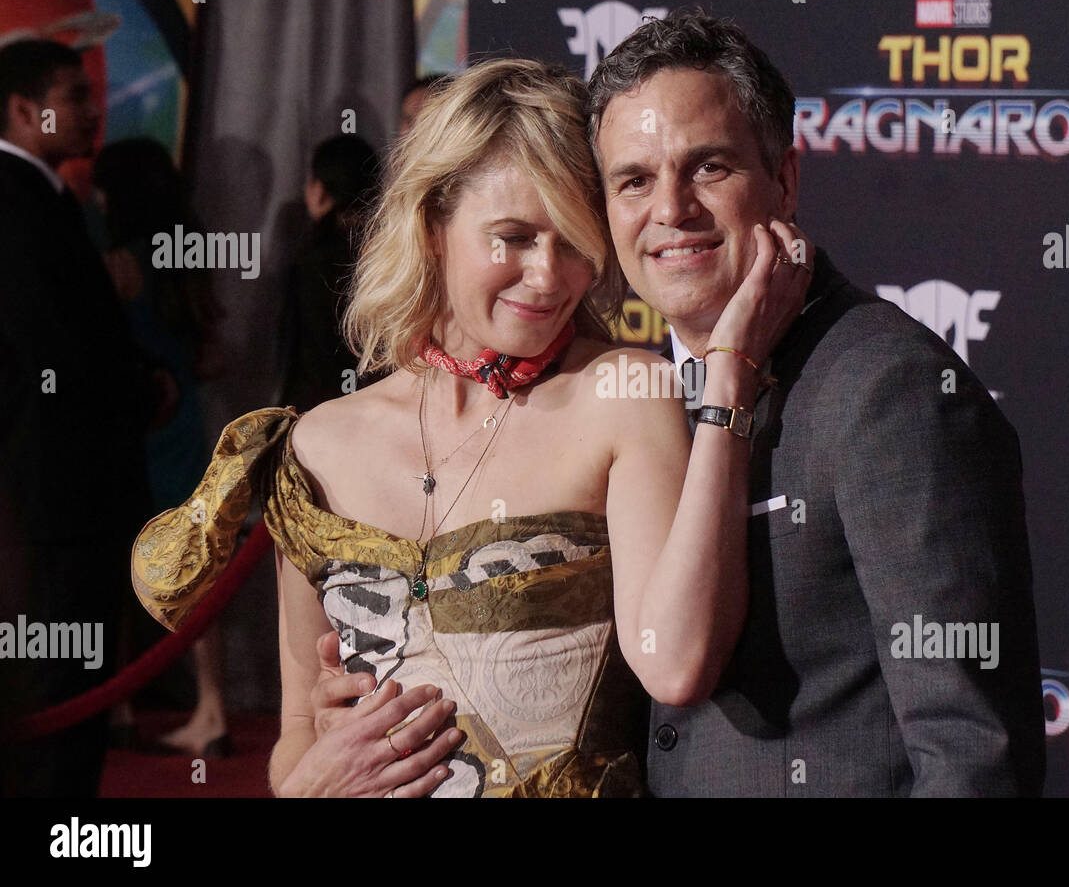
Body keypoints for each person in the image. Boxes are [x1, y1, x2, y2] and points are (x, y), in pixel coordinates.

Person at [131, 57, 811, 797]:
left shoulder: (620, 392)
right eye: (513, 237)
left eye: (575, 243)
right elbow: (297, 732)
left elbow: (678, 660)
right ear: (432, 227)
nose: (549, 276)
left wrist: (729, 376)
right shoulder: (316, 448)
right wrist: (305, 782)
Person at [586, 10, 1045, 796]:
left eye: (709, 167)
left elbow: (971, 752)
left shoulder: (890, 390)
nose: (670, 210)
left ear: (787, 180)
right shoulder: (631, 394)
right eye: (634, 179)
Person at [0, 39, 164, 797]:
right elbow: (52, 350)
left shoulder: (44, 196)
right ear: (24, 110)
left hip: (58, 496)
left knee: (67, 689)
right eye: (76, 95)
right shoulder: (16, 199)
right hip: (52, 499)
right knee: (58, 695)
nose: (93, 110)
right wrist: (143, 393)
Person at [92, 137, 229, 758]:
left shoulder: (119, 261)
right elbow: (208, 353)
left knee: (120, 568)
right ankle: (212, 707)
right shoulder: (186, 260)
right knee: (191, 573)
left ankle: (117, 705)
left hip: (133, 429)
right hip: (186, 430)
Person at [278, 133, 378, 413]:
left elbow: (306, 351)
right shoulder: (391, 249)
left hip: (317, 407)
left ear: (320, 190)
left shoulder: (315, 257)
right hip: (376, 403)